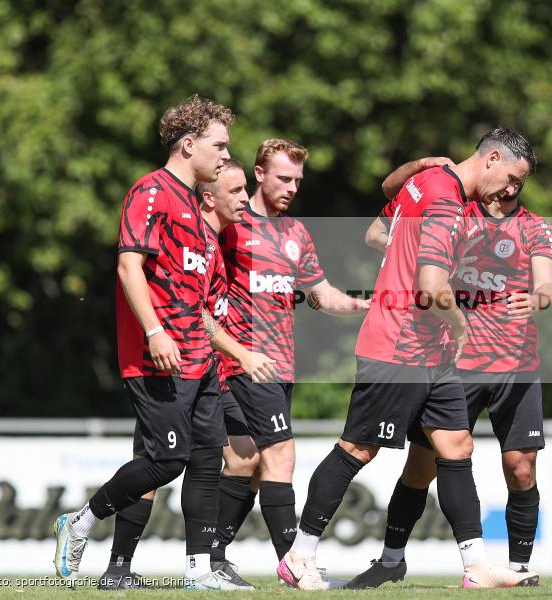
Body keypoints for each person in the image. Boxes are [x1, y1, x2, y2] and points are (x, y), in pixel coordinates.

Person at [277, 128, 540, 591]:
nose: (511, 190)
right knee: (358, 449)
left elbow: (377, 228)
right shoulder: (446, 200)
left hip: (429, 350)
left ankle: (476, 565)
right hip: (400, 345)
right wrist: (461, 325)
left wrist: (416, 170)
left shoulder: (428, 179)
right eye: (512, 178)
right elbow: (432, 289)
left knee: (456, 447)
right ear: (492, 159)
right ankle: (300, 555)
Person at [347, 155, 552, 589]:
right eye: (507, 180)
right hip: (455, 364)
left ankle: (519, 569)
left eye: (517, 184)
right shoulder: (454, 211)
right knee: (420, 468)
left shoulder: (535, 228)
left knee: (521, 467)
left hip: (516, 368)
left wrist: (539, 297)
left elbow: (547, 284)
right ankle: (390, 560)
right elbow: (386, 218)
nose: (508, 190)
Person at [52, 95, 236, 589]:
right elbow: (128, 266)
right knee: (166, 462)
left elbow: (195, 296)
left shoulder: (197, 209)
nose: (225, 155)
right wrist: (155, 332)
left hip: (199, 358)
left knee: (207, 459)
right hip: (159, 357)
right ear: (189, 145)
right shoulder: (150, 191)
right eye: (219, 145)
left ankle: (198, 573)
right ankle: (81, 521)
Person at [96, 159, 276, 590]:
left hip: (207, 367)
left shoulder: (218, 242)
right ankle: (112, 557)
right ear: (208, 198)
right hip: (172, 363)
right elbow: (193, 313)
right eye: (236, 191)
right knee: (160, 462)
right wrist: (241, 353)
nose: (245, 199)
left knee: (223, 457)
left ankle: (205, 564)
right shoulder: (182, 225)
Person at [212, 139, 369, 580]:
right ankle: (296, 565)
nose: (292, 188)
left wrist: (367, 305)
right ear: (259, 174)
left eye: (297, 180)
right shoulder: (231, 225)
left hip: (282, 367)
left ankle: (211, 558)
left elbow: (321, 296)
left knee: (246, 463)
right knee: (281, 456)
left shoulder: (296, 233)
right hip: (246, 363)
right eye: (283, 178)